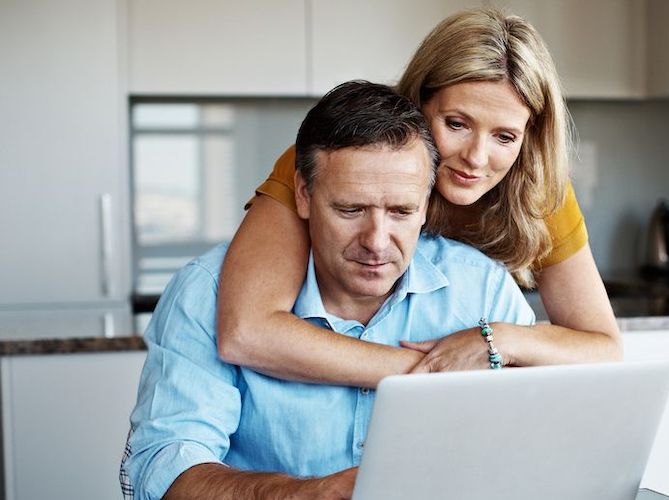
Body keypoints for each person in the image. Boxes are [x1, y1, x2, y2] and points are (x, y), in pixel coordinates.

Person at [122, 82, 535, 500]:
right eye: (351, 210)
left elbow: (535, 449)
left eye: (401, 212)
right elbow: (163, 471)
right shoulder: (207, 291)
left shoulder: (484, 291)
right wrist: (302, 494)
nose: (376, 241)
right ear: (303, 194)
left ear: (427, 203)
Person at [216, 7, 620, 387]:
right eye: (457, 124)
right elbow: (246, 331)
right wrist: (431, 374)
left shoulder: (537, 186)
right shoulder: (339, 159)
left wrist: (496, 341)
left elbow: (604, 347)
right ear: (419, 102)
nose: (476, 158)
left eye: (504, 136)